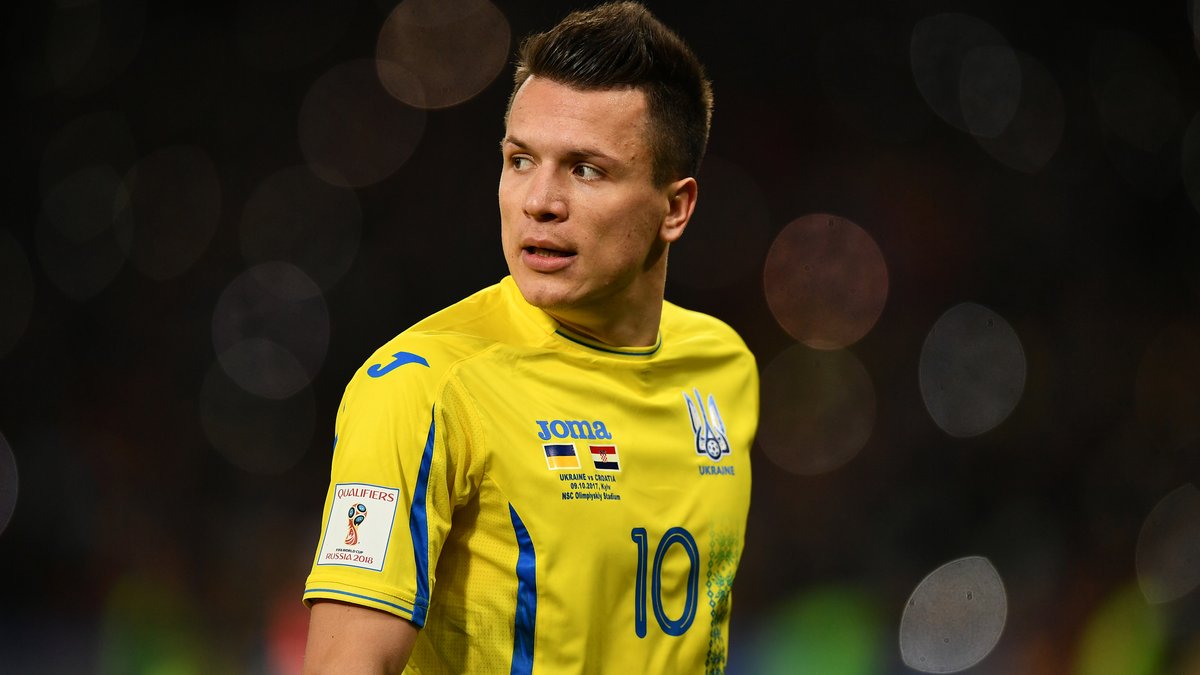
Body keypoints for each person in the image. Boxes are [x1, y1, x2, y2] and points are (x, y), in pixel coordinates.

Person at [301, 3, 758, 672]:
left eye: (586, 169)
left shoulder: (724, 370)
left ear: (676, 207)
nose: (539, 201)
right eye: (520, 160)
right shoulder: (423, 388)